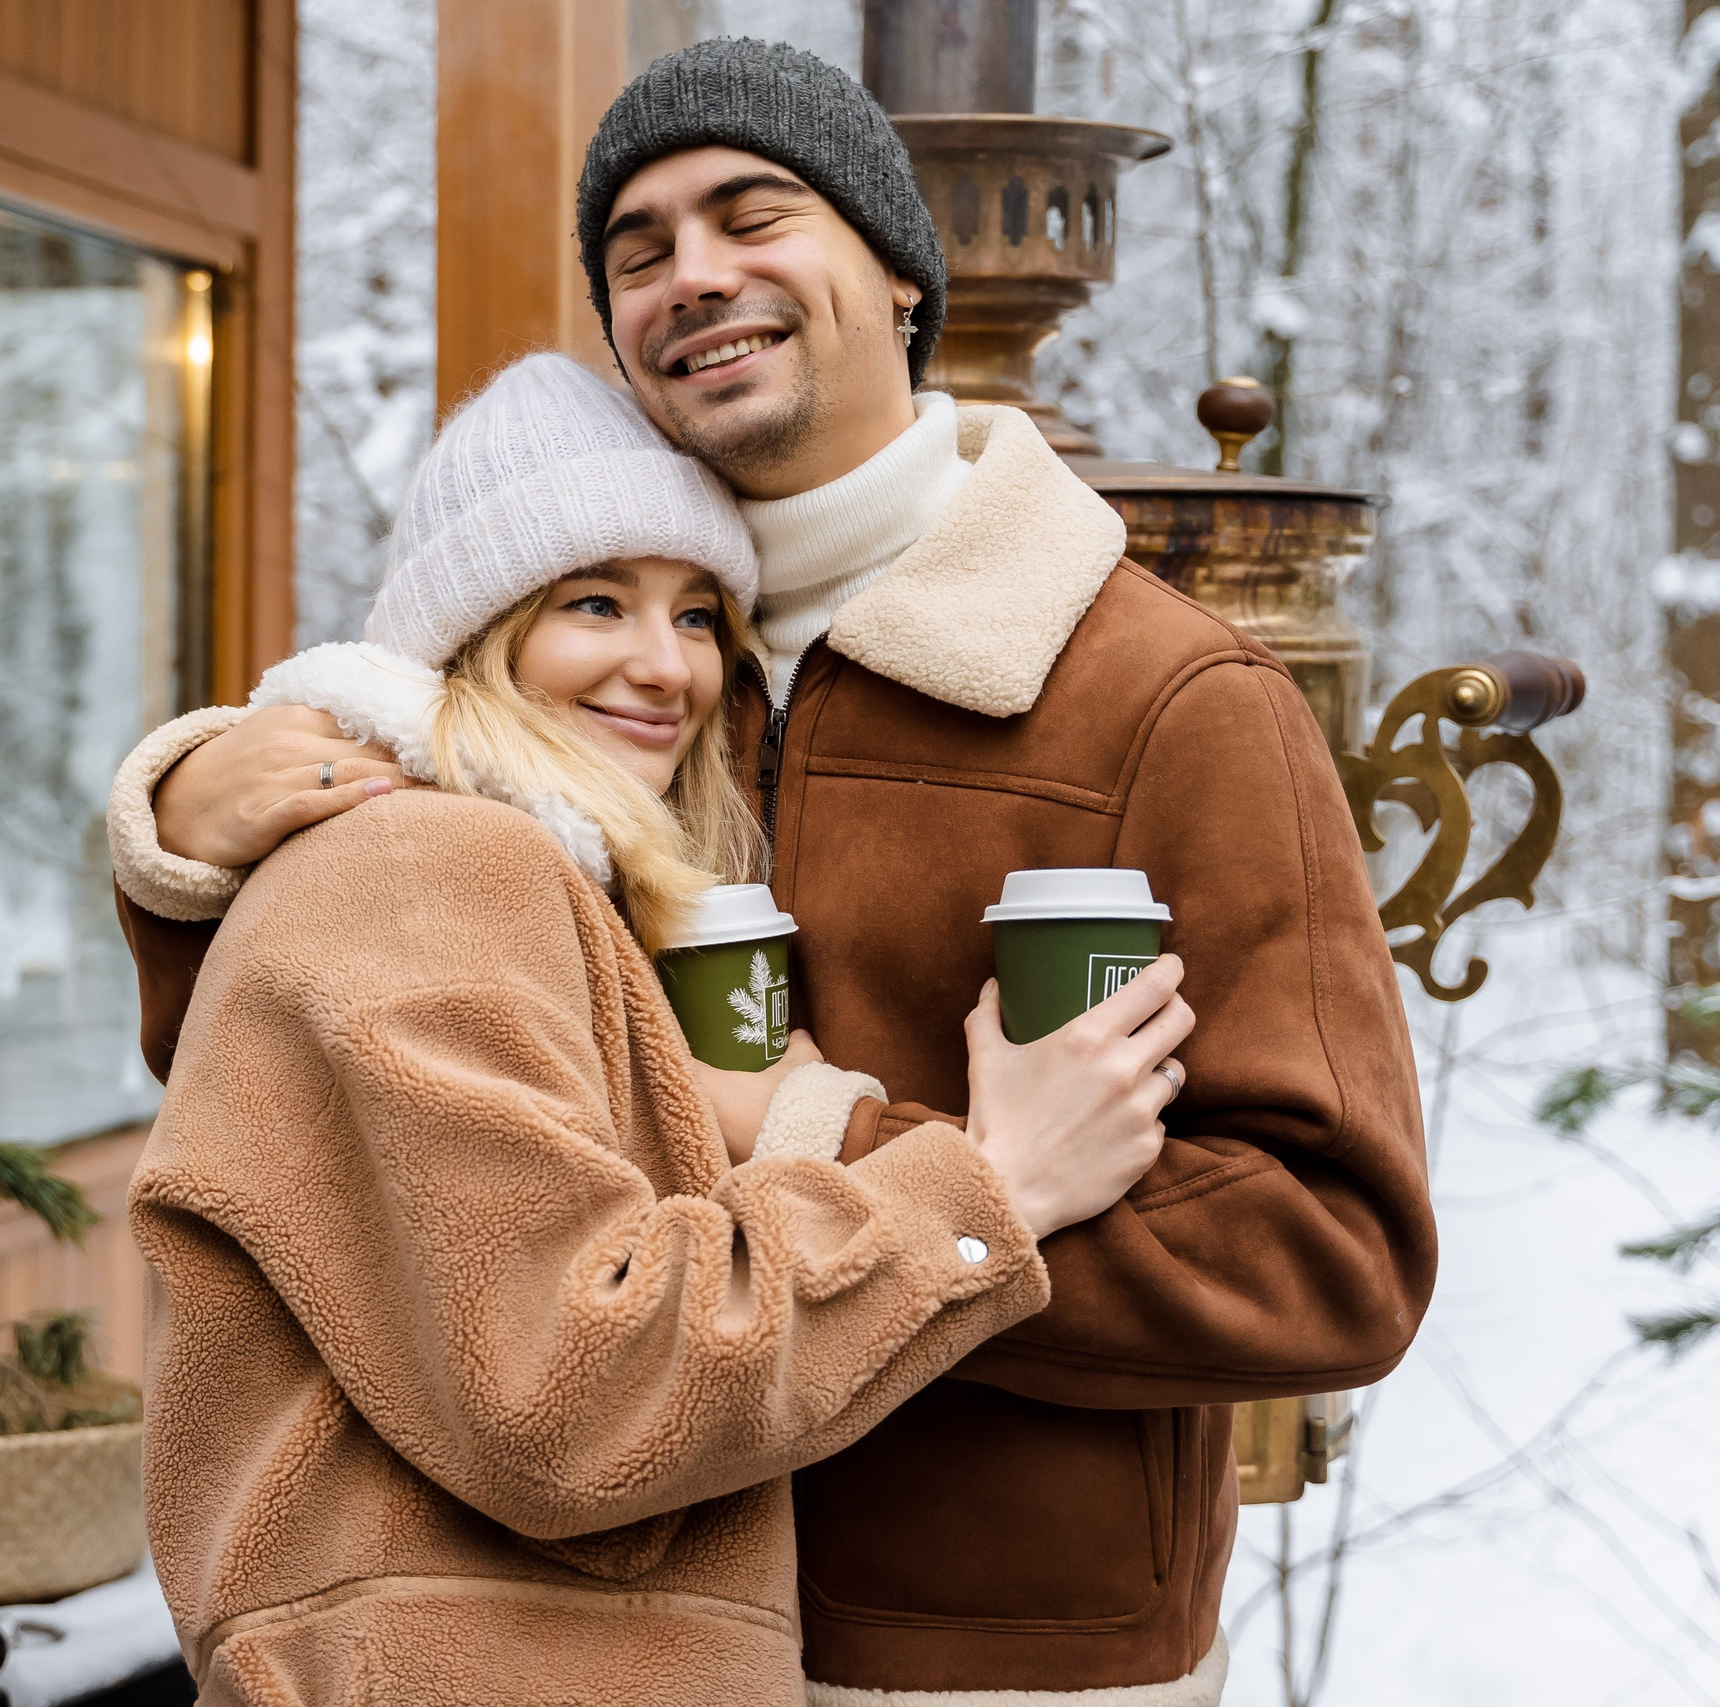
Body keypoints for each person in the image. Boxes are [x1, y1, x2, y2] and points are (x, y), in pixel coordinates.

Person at [109, 39, 1438, 1707]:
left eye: (755, 215)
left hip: (987, 1669)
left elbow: (1333, 1258)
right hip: (580, 1645)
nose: (695, 276)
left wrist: (851, 1144)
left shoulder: (1164, 700)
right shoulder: (628, 690)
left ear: (899, 277)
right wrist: (191, 839)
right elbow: (328, 1104)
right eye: (640, 250)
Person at [124, 350, 1195, 1705]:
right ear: (474, 628)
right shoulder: (436, 869)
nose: (664, 664)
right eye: (594, 602)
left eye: (700, 615)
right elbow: (573, 1394)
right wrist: (992, 1193)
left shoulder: (500, 876)